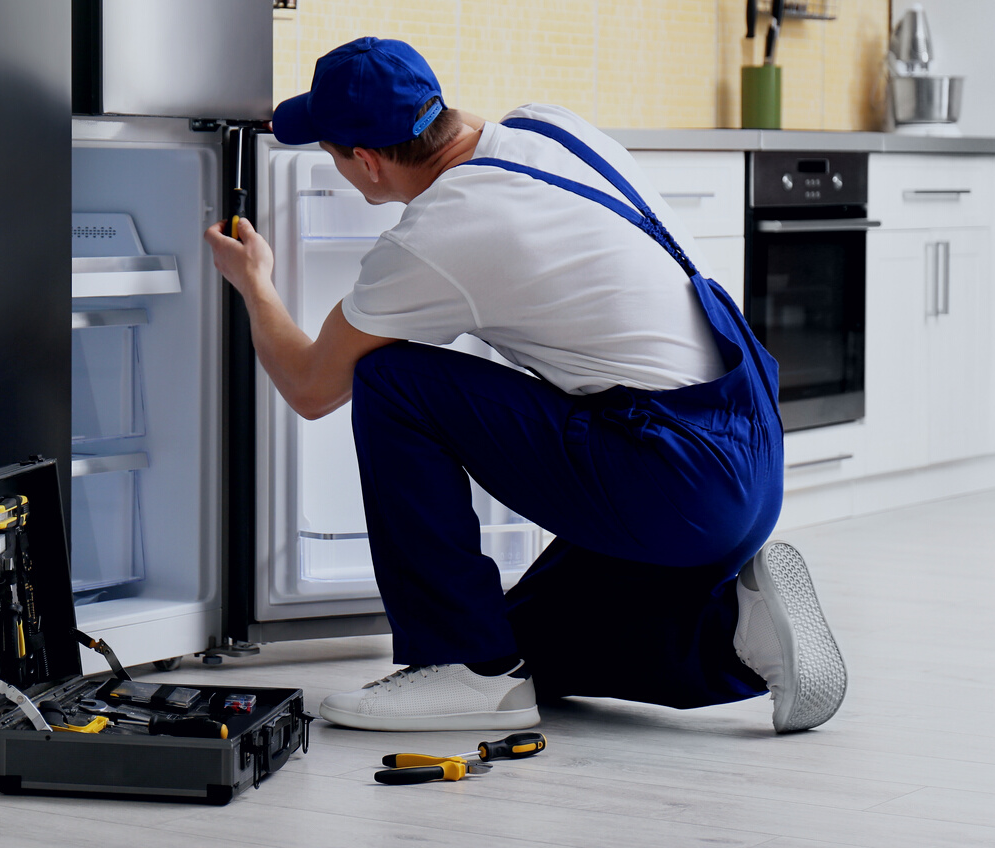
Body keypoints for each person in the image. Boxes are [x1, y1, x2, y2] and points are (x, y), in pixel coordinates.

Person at [204, 36, 846, 734]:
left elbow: (310, 386)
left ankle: (460, 665)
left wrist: (255, 284)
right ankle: (739, 634)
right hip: (746, 449)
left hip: (673, 478)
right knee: (523, 646)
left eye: (332, 153)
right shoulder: (549, 126)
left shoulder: (437, 234)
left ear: (365, 161)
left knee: (390, 380)